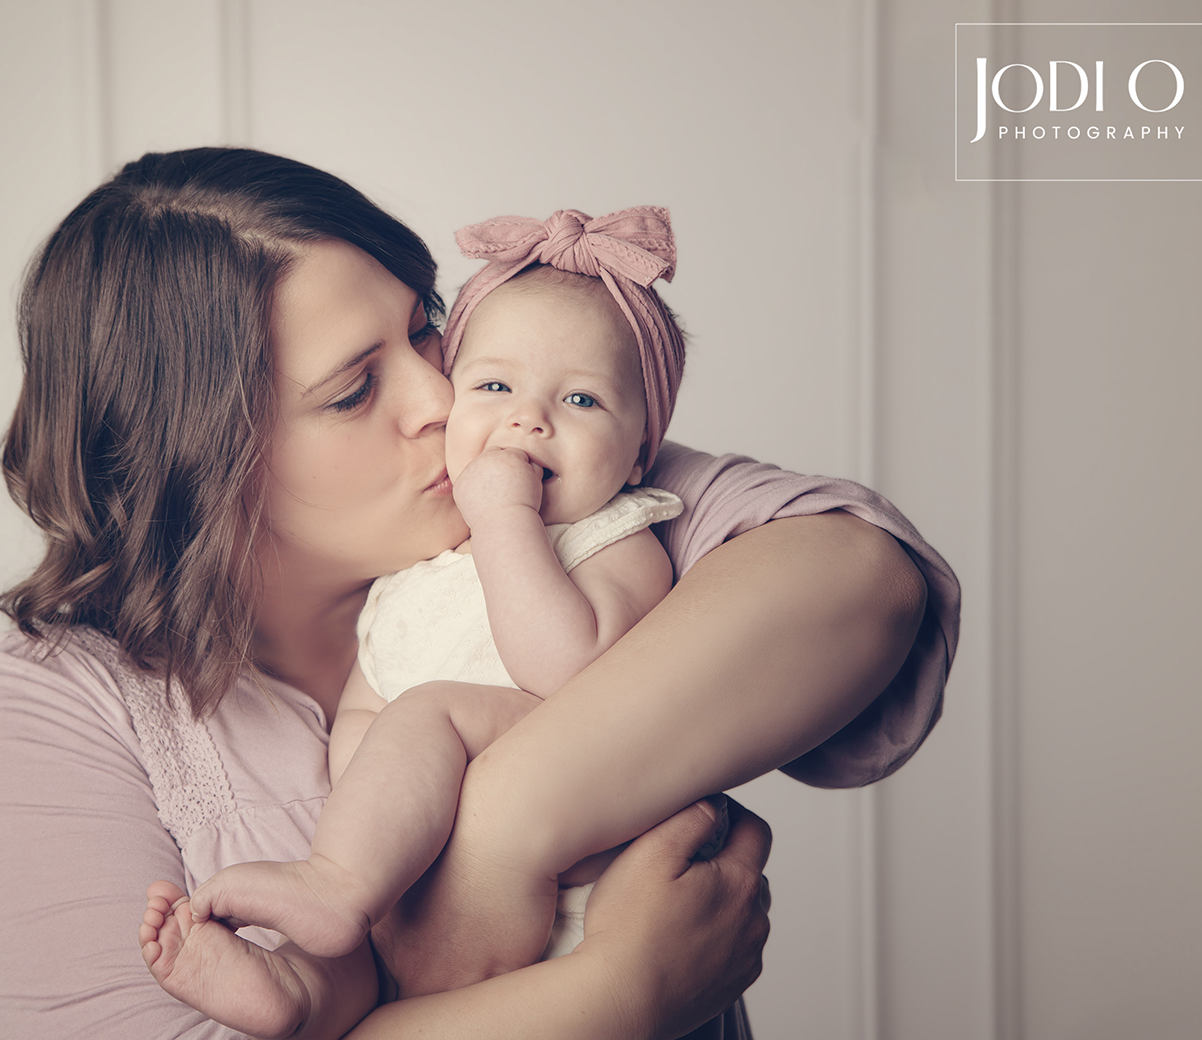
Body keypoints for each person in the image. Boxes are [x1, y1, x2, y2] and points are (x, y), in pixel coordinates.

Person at [0, 147, 960, 1040]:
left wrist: (510, 824)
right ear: (193, 462)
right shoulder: (43, 713)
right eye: (353, 390)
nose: (442, 398)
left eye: (425, 330)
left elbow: (860, 577)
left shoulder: (552, 484)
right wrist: (615, 992)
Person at [140, 206, 815, 1038]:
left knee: (421, 732)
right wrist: (377, 809)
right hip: (423, 874)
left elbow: (566, 673)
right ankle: (296, 992)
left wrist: (505, 521)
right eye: (493, 387)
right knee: (350, 945)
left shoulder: (617, 540)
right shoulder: (421, 560)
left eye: (581, 399)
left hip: (579, 880)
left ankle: (334, 886)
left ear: (641, 452)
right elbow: (371, 702)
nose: (529, 420)